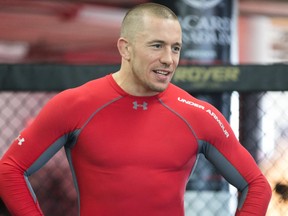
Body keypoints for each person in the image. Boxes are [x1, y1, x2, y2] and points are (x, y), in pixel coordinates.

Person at [0, 3, 271, 216]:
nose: (168, 59)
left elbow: (257, 186)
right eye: (157, 46)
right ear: (125, 48)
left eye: (175, 48)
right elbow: (9, 170)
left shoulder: (199, 114)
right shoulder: (75, 104)